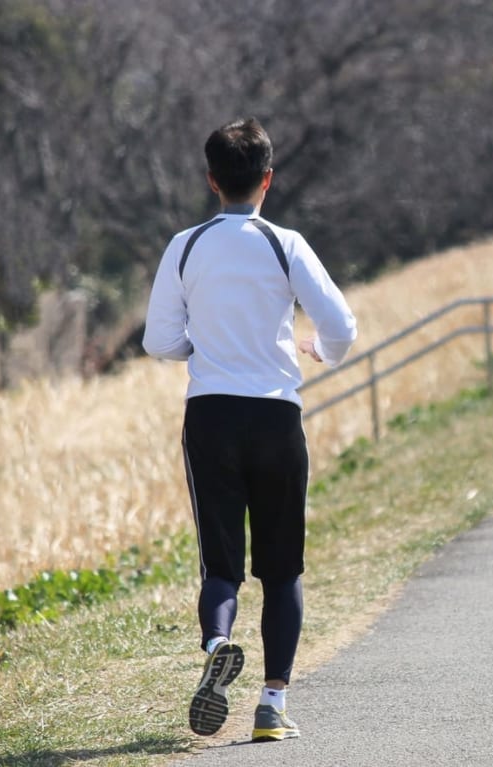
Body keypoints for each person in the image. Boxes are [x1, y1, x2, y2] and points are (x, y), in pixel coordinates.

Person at [142, 117, 358, 742]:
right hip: (275, 413)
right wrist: (319, 349)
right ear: (268, 178)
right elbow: (341, 324)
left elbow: (159, 339)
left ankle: (217, 642)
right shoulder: (283, 242)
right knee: (283, 568)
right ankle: (271, 705)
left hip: (209, 413)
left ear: (212, 180)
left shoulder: (184, 245)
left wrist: (202, 346)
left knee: (221, 564)